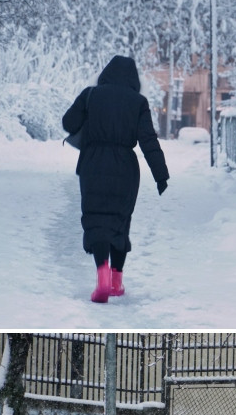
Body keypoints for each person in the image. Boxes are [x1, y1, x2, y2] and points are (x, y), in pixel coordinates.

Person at [62, 55, 170, 303]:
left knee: (96, 221)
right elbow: (148, 141)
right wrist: (160, 175)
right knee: (120, 222)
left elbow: (69, 123)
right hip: (125, 169)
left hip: (93, 164)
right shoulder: (138, 102)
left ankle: (101, 278)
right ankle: (116, 282)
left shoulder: (90, 95)